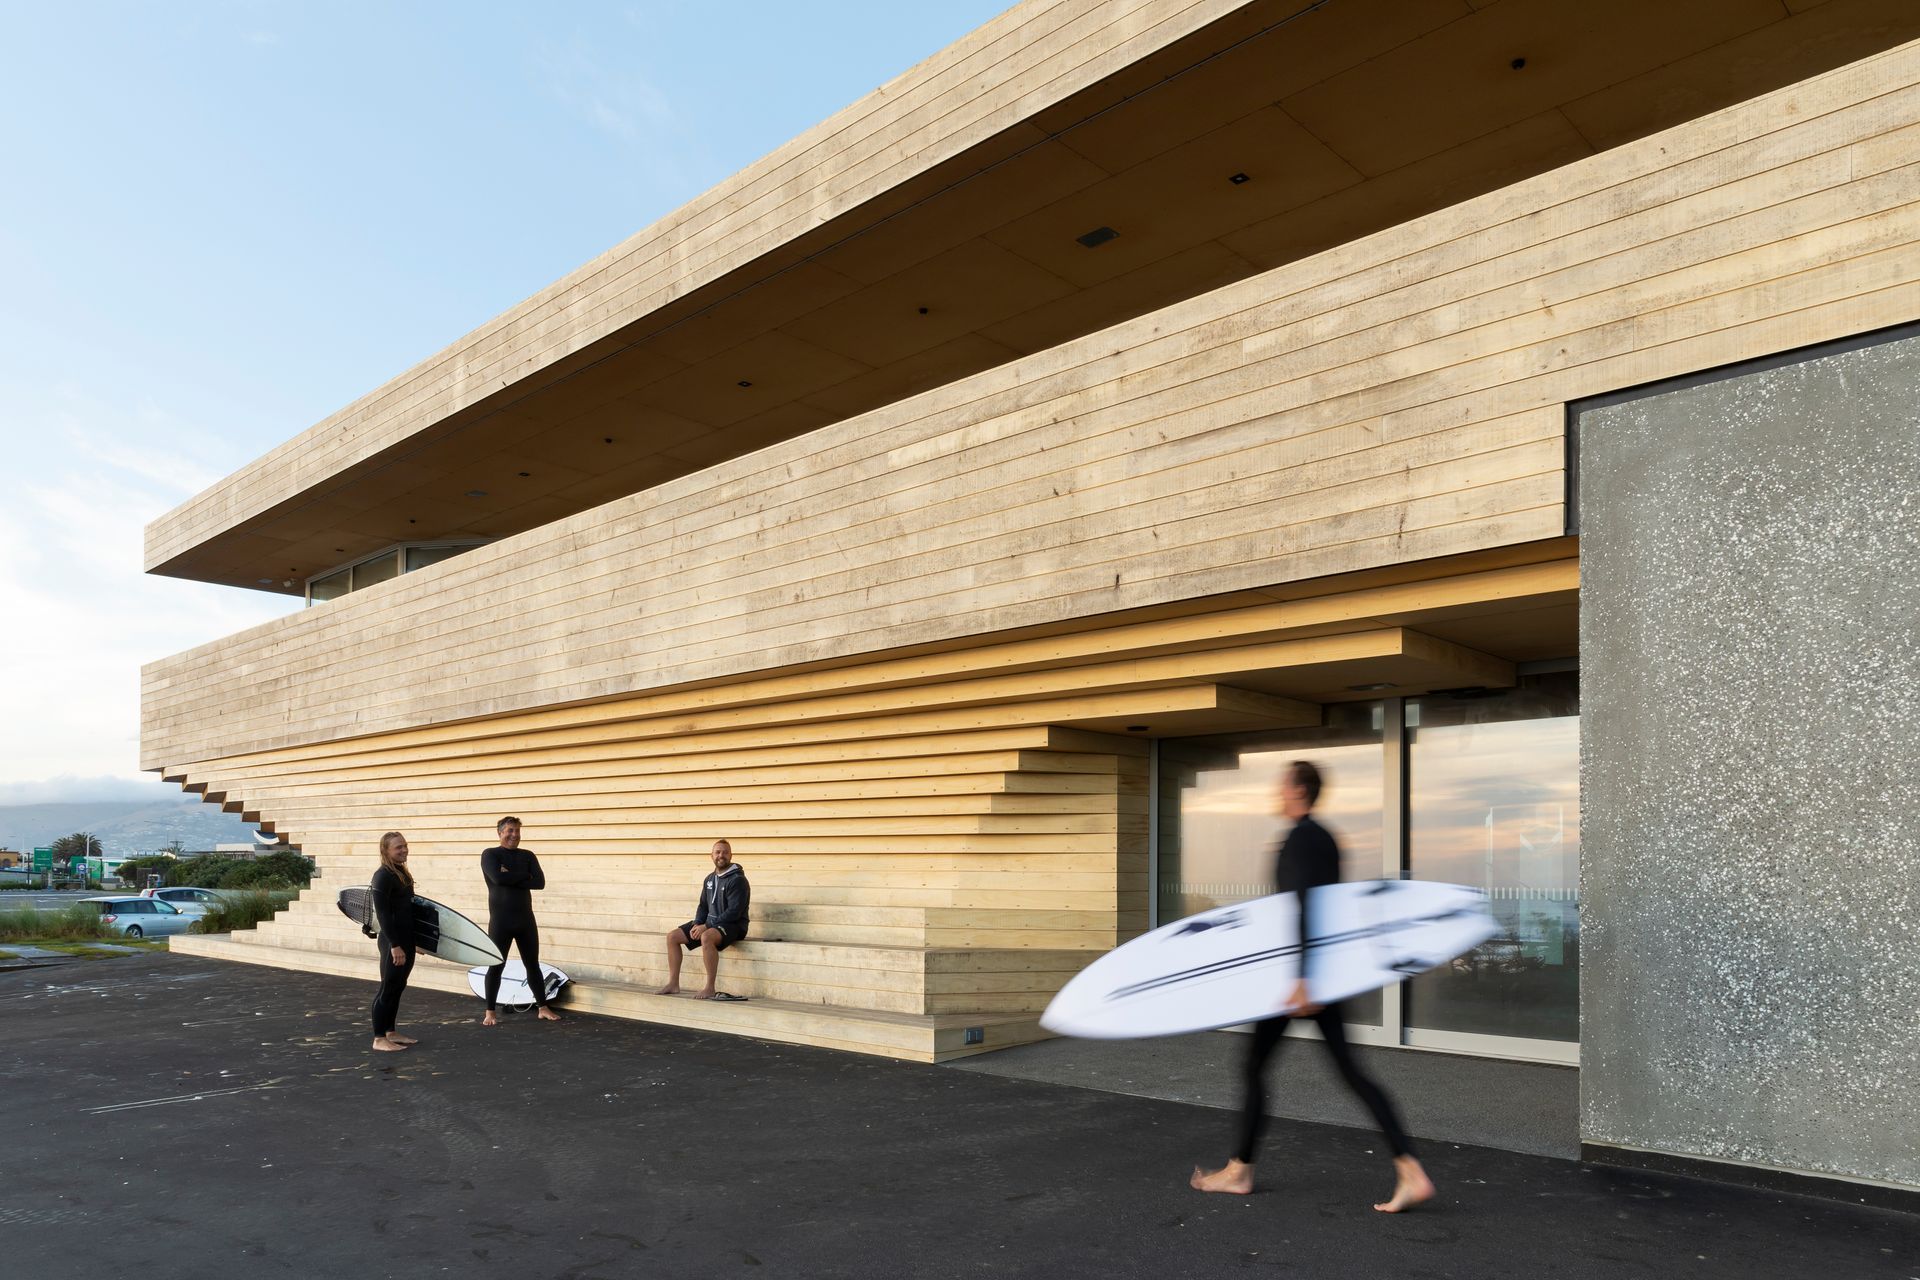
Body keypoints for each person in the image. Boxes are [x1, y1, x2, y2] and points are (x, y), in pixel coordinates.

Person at [1190, 760, 1434, 1214]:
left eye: (1283, 785)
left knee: (1257, 1067)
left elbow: (1304, 906)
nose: (1277, 793)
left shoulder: (1301, 839)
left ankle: (1240, 1171)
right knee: (1347, 1071)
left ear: (1299, 790)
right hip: (1320, 974)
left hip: (1300, 981)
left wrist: (1302, 978)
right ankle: (1410, 1169)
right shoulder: (1325, 837)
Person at [480, 816, 560, 1025]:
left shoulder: (527, 855)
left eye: (517, 831)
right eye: (510, 831)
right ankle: (490, 1011)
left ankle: (542, 1007)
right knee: (496, 965)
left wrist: (510, 874)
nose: (514, 835)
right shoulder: (490, 854)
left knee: (532, 964)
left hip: (525, 919)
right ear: (500, 833)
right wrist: (524, 876)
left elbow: (540, 882)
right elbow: (498, 879)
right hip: (501, 921)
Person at [658, 839, 749, 1000]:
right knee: (672, 937)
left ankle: (710, 988)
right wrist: (698, 923)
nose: (721, 855)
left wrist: (706, 926)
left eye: (725, 852)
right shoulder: (709, 879)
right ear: (711, 856)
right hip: (710, 923)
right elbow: (703, 906)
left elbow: (734, 912)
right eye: (718, 852)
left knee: (706, 937)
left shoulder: (738, 880)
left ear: (731, 855)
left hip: (734, 926)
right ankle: (673, 984)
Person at [369, 831, 418, 1052]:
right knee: (388, 988)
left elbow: (408, 910)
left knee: (399, 986)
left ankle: (390, 1031)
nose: (404, 850)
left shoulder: (401, 874)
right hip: (393, 942)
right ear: (386, 851)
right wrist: (395, 945)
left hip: (406, 939)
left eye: (405, 846)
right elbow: (383, 915)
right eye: (398, 847)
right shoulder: (383, 876)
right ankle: (379, 1038)